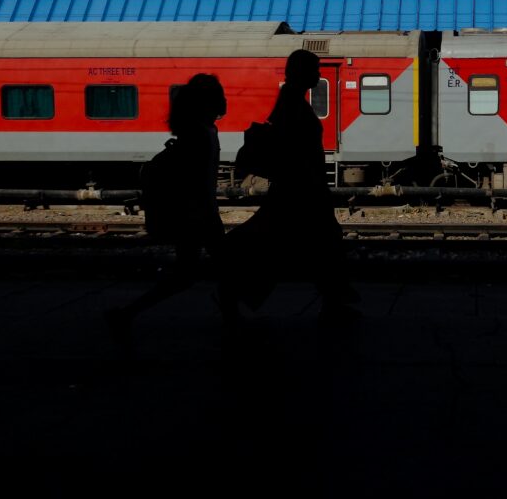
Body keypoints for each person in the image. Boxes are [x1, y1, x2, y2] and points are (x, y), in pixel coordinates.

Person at [219, 49, 359, 326]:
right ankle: (230, 294)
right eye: (314, 69)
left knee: (305, 245)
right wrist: (312, 183)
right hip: (300, 190)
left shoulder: (292, 100)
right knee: (297, 246)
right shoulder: (292, 103)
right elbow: (294, 149)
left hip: (299, 189)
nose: (319, 74)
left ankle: (332, 301)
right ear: (301, 72)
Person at [105, 73, 227, 350]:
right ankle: (124, 315)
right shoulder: (199, 134)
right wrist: (207, 216)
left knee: (193, 273)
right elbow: (195, 181)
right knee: (214, 269)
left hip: (198, 213)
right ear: (207, 101)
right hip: (197, 215)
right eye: (218, 94)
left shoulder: (199, 130)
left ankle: (126, 315)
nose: (224, 99)